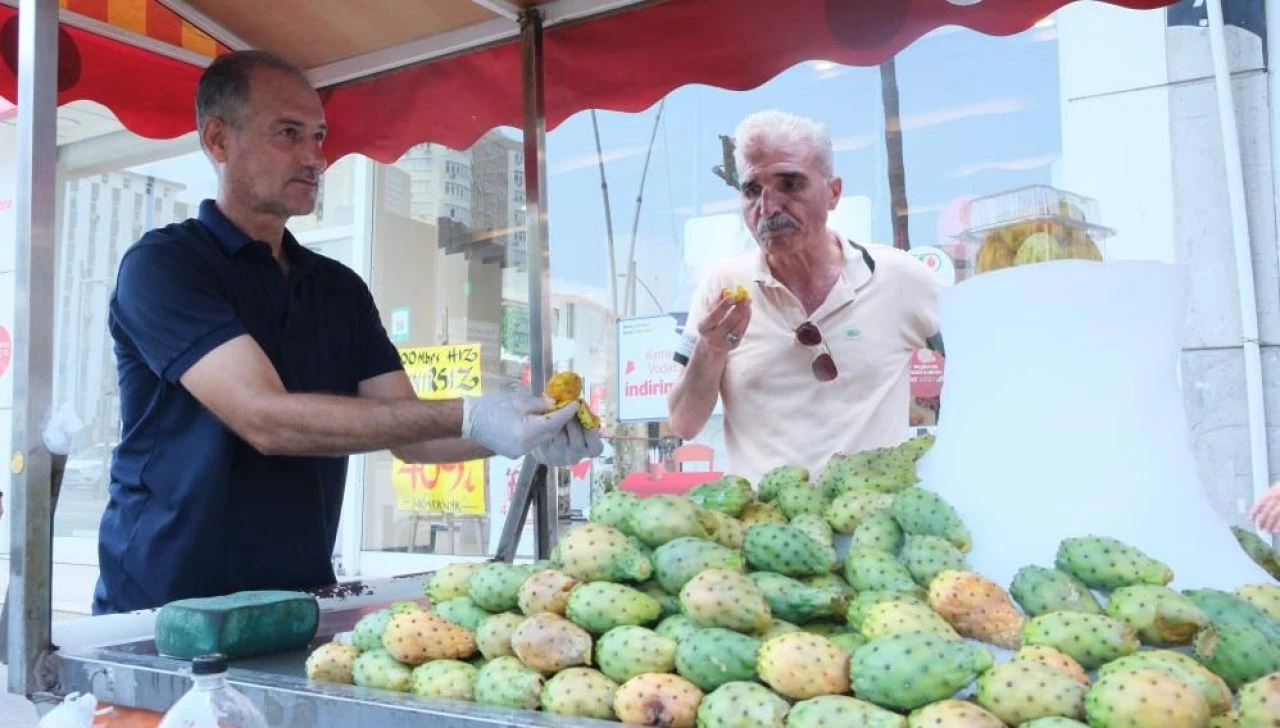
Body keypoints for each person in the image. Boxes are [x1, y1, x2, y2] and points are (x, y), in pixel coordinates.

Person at [93, 50, 600, 615]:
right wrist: (471, 412)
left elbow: (414, 436)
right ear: (218, 140)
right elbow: (263, 417)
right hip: (161, 610)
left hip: (296, 603)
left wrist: (524, 429)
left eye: (319, 136)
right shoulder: (167, 265)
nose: (314, 157)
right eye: (288, 133)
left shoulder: (338, 288)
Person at [668, 110, 941, 484]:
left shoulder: (898, 278)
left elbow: (981, 370)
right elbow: (684, 422)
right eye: (751, 190)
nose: (768, 207)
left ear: (833, 193)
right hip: (765, 531)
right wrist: (712, 349)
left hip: (874, 528)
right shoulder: (723, 287)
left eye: (791, 184)